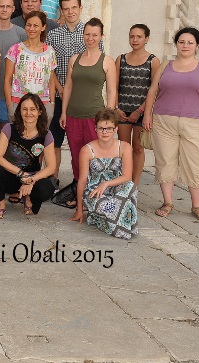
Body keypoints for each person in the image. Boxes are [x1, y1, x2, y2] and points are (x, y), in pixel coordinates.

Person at [143, 27, 199, 222]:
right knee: (165, 162)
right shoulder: (165, 66)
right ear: (176, 44)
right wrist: (147, 115)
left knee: (195, 162)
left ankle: (197, 205)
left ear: (197, 46)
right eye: (181, 42)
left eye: (190, 42)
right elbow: (152, 91)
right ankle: (167, 202)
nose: (185, 45)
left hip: (196, 123)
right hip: (163, 121)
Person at [60, 18, 117, 182]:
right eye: (87, 34)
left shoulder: (107, 61)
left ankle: (95, 190)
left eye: (95, 35)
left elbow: (111, 91)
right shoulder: (74, 59)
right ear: (83, 35)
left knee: (95, 157)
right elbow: (68, 87)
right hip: (73, 116)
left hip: (95, 117)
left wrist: (109, 119)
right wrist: (63, 112)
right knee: (76, 156)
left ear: (101, 37)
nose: (90, 38)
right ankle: (79, 189)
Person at [47, 0, 96, 180]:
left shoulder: (90, 34)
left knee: (84, 142)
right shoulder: (53, 35)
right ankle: (53, 179)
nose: (70, 12)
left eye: (74, 7)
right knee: (55, 141)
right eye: (66, 8)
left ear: (80, 8)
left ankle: (83, 180)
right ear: (61, 10)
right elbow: (49, 67)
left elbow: (99, 64)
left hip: (83, 99)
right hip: (59, 96)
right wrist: (59, 88)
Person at [71, 109, 138, 239]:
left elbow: (127, 176)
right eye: (101, 128)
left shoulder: (125, 147)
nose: (104, 132)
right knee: (107, 205)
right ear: (95, 129)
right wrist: (79, 210)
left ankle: (107, 220)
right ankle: (118, 221)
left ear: (116, 129)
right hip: (96, 191)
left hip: (118, 188)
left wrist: (106, 184)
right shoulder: (86, 150)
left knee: (130, 187)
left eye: (109, 128)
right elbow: (82, 181)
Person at [0, 93, 56, 219]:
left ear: (40, 112)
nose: (28, 113)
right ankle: (0, 203)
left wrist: (31, 180)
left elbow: (51, 167)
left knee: (47, 188)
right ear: (19, 111)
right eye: (25, 109)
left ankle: (28, 196)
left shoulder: (46, 134)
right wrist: (21, 173)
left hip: (32, 176)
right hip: (11, 175)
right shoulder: (9, 128)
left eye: (33, 109)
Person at [115, 24, 158, 186]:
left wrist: (140, 111)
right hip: (122, 112)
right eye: (132, 36)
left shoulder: (153, 61)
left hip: (142, 112)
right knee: (124, 148)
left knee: (138, 148)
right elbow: (114, 86)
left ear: (146, 39)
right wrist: (116, 108)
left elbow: (155, 89)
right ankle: (124, 181)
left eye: (139, 36)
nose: (135, 40)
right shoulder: (121, 59)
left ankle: (134, 184)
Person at [4, 11, 57, 122]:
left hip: (43, 104)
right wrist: (10, 105)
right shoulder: (15, 50)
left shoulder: (50, 52)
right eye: (29, 25)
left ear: (43, 27)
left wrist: (51, 105)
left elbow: (51, 80)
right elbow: (7, 79)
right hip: (18, 103)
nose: (31, 28)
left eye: (35, 25)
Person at [0, 0, 26, 131]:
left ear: (13, 9)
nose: (4, 9)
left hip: (10, 95)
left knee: (6, 136)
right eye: (1, 6)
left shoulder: (21, 33)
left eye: (8, 6)